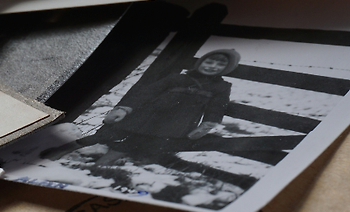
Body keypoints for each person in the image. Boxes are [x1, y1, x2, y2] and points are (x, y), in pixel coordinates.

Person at [41, 49, 241, 165]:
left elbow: (217, 106)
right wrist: (125, 108)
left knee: (140, 142)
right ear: (201, 62)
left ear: (226, 69)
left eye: (219, 64)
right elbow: (147, 93)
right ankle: (66, 148)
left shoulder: (222, 87)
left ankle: (105, 163)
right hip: (147, 114)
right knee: (109, 133)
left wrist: (208, 124)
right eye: (209, 61)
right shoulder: (177, 78)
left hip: (175, 124)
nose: (212, 66)